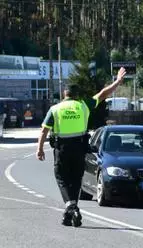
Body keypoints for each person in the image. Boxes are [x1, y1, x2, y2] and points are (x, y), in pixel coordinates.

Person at [36, 67, 126, 227]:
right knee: (76, 179)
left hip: (62, 149)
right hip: (80, 148)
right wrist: (117, 82)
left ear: (65, 95)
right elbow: (103, 94)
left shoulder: (55, 109)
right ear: (77, 95)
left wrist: (40, 149)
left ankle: (71, 206)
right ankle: (70, 212)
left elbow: (44, 130)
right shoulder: (83, 106)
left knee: (62, 178)